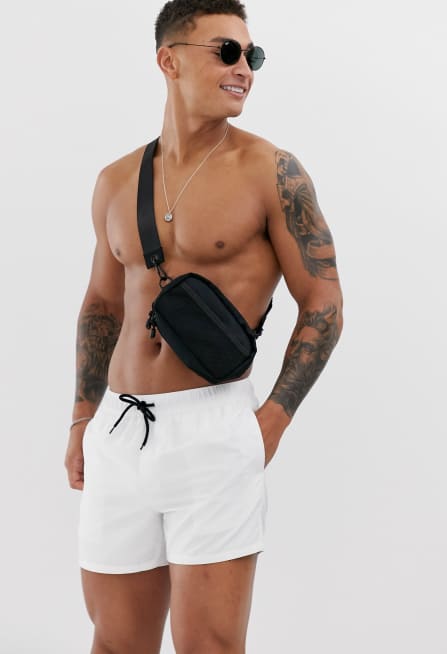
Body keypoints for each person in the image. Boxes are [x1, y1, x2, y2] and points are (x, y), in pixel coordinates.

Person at [64, 1, 343, 652]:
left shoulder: (271, 171)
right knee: (115, 643)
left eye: (252, 56)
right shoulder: (116, 180)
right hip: (119, 432)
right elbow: (101, 305)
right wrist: (81, 417)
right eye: (226, 51)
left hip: (215, 431)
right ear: (169, 61)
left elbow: (323, 301)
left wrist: (272, 420)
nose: (244, 68)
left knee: (209, 647)